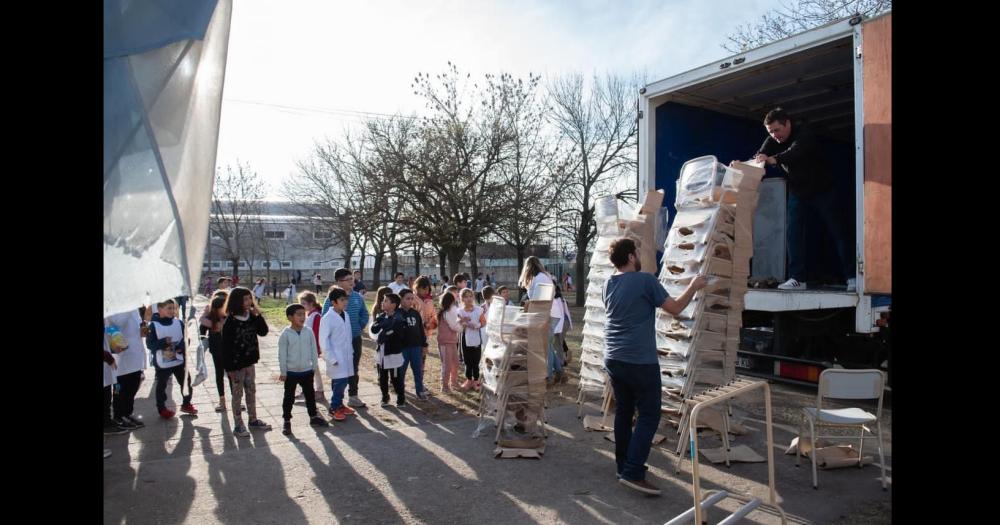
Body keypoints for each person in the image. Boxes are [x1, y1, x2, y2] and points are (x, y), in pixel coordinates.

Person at [602, 238, 706, 495]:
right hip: (639, 360)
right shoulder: (646, 280)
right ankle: (634, 471)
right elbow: (676, 308)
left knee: (625, 412)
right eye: (637, 252)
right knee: (649, 414)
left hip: (614, 358)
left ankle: (622, 466)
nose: (640, 256)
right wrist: (694, 285)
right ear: (629, 257)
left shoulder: (608, 283)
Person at [753, 107, 854, 292]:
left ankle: (852, 276)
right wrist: (755, 161)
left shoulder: (804, 134)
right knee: (793, 234)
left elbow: (795, 152)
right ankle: (798, 278)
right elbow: (760, 156)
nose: (775, 135)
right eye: (771, 132)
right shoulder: (771, 140)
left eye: (777, 130)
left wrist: (774, 159)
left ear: (788, 124)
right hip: (798, 192)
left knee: (839, 231)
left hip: (823, 190)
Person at [221, 287, 272, 437]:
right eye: (245, 299)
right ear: (236, 301)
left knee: (251, 391)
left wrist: (258, 316)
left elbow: (263, 332)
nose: (249, 301)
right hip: (236, 365)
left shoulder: (251, 316)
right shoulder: (230, 321)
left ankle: (253, 419)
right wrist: (229, 368)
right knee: (237, 395)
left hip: (250, 362)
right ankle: (238, 424)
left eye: (250, 298)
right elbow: (225, 347)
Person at [278, 303, 329, 435]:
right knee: (289, 397)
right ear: (290, 317)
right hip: (291, 372)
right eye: (298, 315)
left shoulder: (308, 331)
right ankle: (287, 421)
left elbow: (313, 349)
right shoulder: (286, 334)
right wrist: (283, 372)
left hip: (307, 370)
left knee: (310, 395)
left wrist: (313, 366)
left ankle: (313, 417)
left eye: (304, 314)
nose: (302, 317)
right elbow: (282, 354)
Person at [322, 268, 370, 408]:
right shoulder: (331, 299)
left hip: (355, 339)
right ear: (339, 282)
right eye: (348, 279)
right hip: (338, 342)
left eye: (352, 279)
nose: (352, 282)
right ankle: (337, 400)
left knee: (353, 368)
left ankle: (353, 396)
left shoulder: (357, 297)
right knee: (338, 369)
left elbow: (364, 314)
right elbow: (325, 317)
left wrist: (359, 326)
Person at [147, 298, 196, 418]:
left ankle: (186, 403)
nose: (172, 310)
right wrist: (163, 342)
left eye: (173, 308)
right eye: (168, 308)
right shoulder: (153, 325)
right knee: (162, 385)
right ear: (159, 309)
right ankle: (162, 408)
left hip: (179, 360)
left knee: (186, 382)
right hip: (163, 363)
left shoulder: (178, 322)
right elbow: (150, 345)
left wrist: (182, 346)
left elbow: (186, 339)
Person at [106, 307, 148, 429]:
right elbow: (118, 322)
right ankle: (119, 416)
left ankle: (128, 414)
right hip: (121, 357)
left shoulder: (133, 307)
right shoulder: (118, 305)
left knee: (133, 386)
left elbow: (135, 325)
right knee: (120, 389)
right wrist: (129, 305)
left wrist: (142, 328)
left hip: (134, 353)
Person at [319, 286, 356, 421]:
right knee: (340, 382)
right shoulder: (328, 318)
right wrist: (331, 358)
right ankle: (333, 408)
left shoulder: (345, 315)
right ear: (333, 302)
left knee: (342, 382)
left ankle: (340, 405)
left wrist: (351, 351)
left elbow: (348, 335)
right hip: (335, 357)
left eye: (346, 299)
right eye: (342, 300)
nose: (345, 302)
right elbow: (323, 340)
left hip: (346, 356)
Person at [369, 292, 406, 407]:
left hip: (393, 353)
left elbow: (394, 332)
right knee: (382, 377)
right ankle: (385, 397)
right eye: (383, 300)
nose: (382, 302)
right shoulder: (381, 316)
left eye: (386, 301)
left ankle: (401, 398)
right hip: (382, 352)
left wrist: (385, 331)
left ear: (394, 304)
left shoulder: (399, 318)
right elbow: (374, 329)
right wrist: (382, 327)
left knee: (395, 378)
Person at [201, 293, 231, 413]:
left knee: (231, 375)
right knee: (219, 374)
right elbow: (201, 332)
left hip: (229, 350)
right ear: (215, 309)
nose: (224, 310)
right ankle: (222, 400)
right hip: (217, 350)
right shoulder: (209, 318)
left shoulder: (230, 317)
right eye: (222, 308)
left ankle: (237, 399)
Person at [397, 289, 429, 400]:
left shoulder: (415, 313)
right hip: (402, 348)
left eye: (411, 298)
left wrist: (424, 344)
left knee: (418, 370)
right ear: (400, 299)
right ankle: (400, 391)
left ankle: (420, 390)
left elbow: (421, 330)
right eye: (407, 298)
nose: (410, 301)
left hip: (416, 347)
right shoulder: (397, 313)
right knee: (401, 371)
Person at [298, 291, 326, 397]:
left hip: (311, 348)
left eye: (304, 303)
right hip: (306, 347)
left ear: (311, 303)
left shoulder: (316, 315)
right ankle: (313, 390)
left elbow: (316, 334)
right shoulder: (309, 314)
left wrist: (316, 349)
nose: (302, 306)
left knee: (310, 370)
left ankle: (316, 391)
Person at [456, 288, 484, 391]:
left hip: (476, 337)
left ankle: (476, 380)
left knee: (476, 360)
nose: (469, 299)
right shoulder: (460, 311)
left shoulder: (478, 309)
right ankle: (468, 380)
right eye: (466, 296)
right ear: (462, 298)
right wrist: (463, 322)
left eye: (470, 296)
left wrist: (477, 325)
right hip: (465, 338)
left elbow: (483, 322)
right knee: (467, 361)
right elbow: (457, 322)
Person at [436, 291, 463, 393]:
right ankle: (444, 386)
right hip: (445, 342)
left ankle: (453, 382)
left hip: (451, 341)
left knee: (455, 363)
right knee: (446, 365)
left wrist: (461, 320)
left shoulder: (450, 311)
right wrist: (462, 325)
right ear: (451, 301)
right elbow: (454, 326)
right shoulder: (446, 313)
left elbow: (455, 322)